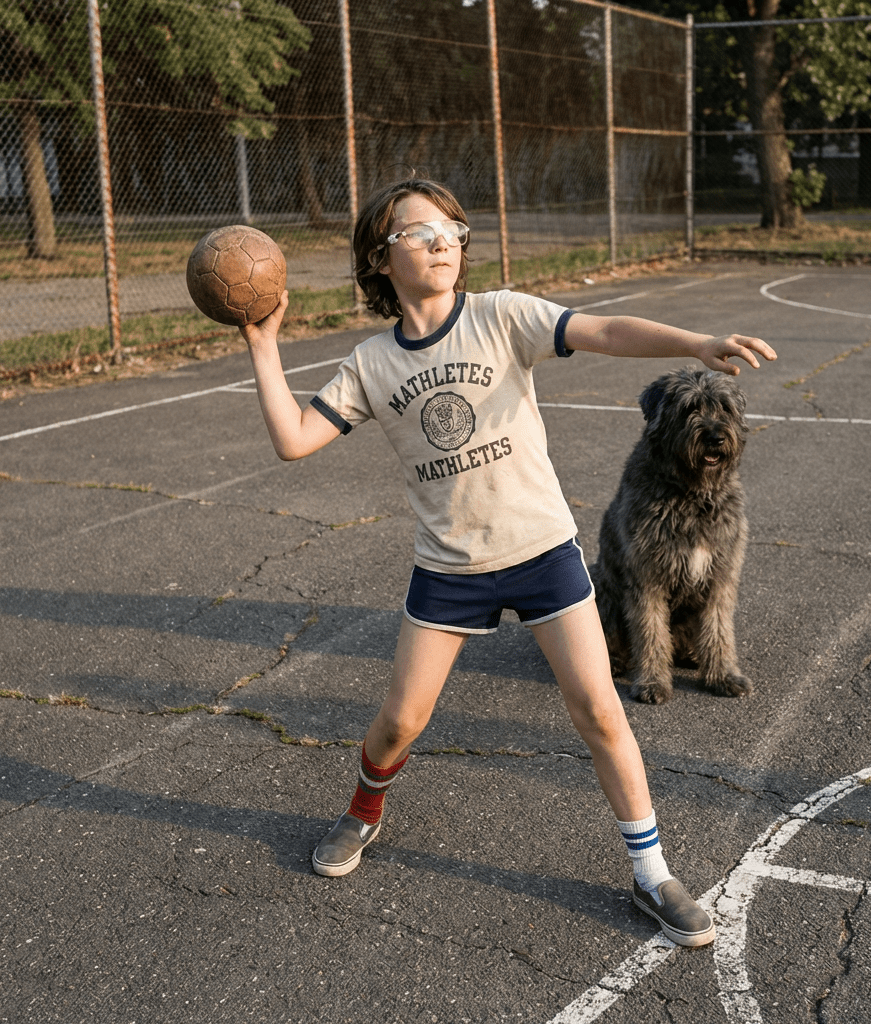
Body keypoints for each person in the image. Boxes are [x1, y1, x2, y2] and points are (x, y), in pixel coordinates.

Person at [239, 178, 776, 947]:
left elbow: (607, 330)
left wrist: (692, 344)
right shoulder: (371, 364)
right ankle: (363, 812)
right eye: (419, 233)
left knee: (600, 710)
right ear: (379, 259)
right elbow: (294, 439)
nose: (443, 242)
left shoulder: (500, 315)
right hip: (450, 571)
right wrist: (264, 345)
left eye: (452, 229)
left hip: (543, 554)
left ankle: (653, 875)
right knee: (399, 722)